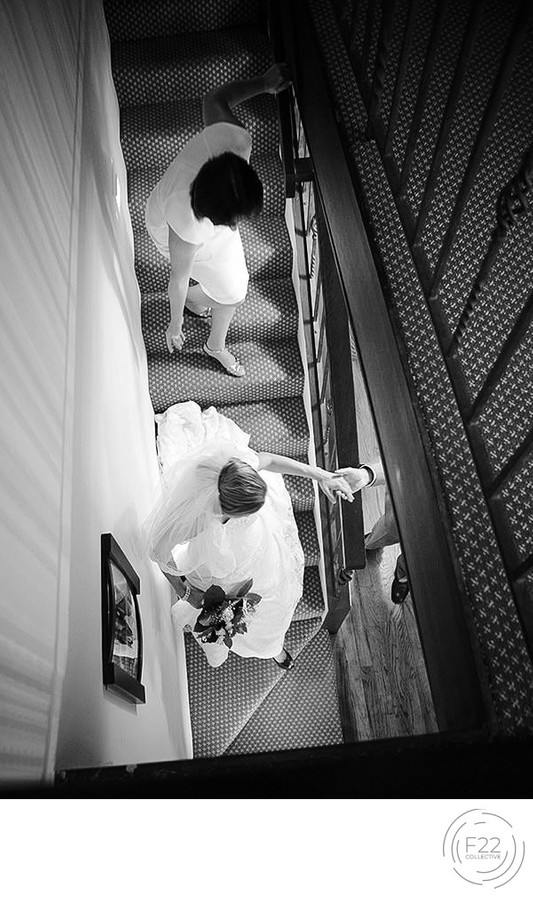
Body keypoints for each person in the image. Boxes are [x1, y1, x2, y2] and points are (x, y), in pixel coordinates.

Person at [143, 401, 353, 669]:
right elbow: (156, 552)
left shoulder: (240, 467)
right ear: (228, 510)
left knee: (272, 607)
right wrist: (184, 592)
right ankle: (254, 646)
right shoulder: (197, 521)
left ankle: (272, 647)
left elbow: (271, 460)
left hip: (260, 552)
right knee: (236, 616)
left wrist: (322, 475)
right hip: (219, 569)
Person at [144, 63, 291, 378]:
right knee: (235, 291)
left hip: (202, 207)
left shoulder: (233, 142)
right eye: (233, 222)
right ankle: (214, 344)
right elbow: (178, 277)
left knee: (232, 287)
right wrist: (174, 323)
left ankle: (199, 305)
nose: (237, 227)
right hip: (170, 222)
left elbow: (215, 98)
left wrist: (263, 83)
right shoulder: (185, 223)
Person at [335, 460, 410, 604]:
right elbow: (402, 461)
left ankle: (403, 573)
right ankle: (368, 544)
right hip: (407, 511)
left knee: (417, 558)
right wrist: (367, 475)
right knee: (386, 532)